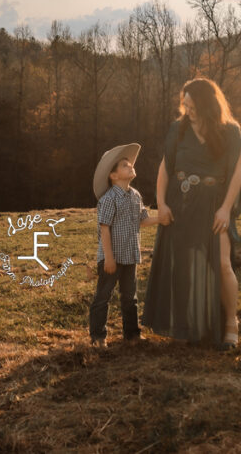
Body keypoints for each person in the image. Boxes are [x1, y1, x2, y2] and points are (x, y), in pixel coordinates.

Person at [142, 78, 241, 350]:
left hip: (214, 204)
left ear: (207, 104)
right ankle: (188, 325)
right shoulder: (178, 130)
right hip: (181, 202)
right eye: (184, 105)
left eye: (193, 105)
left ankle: (231, 323)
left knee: (221, 265)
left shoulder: (231, 131)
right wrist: (161, 203)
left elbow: (237, 173)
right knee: (185, 265)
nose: (188, 110)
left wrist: (225, 208)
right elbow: (166, 168)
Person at [88, 143, 159, 348]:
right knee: (103, 296)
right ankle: (98, 337)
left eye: (130, 164)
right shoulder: (109, 199)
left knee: (130, 297)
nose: (130, 167)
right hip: (112, 256)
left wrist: (161, 219)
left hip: (130, 255)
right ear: (114, 176)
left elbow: (142, 220)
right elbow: (104, 229)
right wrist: (108, 257)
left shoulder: (135, 195)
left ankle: (132, 335)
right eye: (125, 166)